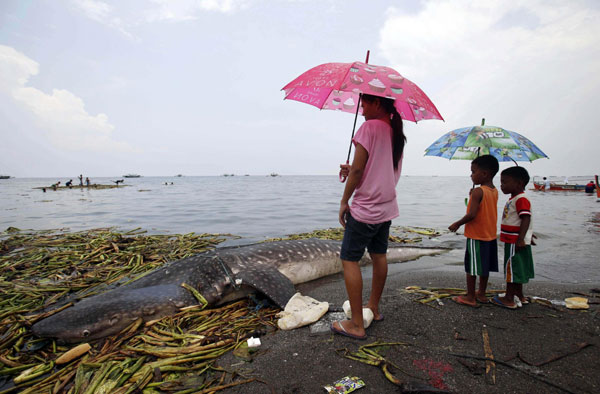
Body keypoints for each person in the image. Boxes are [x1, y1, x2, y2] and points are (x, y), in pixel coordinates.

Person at [330, 94, 406, 340]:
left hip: (366, 209)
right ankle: (373, 308)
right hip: (385, 209)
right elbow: (377, 169)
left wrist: (344, 201)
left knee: (349, 259)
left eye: (363, 104)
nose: (361, 110)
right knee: (379, 256)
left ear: (376, 103)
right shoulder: (395, 133)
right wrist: (351, 170)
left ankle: (355, 324)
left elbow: (361, 169)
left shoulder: (368, 127)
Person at [448, 155, 499, 307]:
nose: (471, 175)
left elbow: (472, 214)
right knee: (484, 267)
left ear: (484, 174)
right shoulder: (494, 190)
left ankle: (470, 296)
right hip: (490, 235)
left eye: (473, 171)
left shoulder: (478, 192)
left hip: (477, 236)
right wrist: (473, 196)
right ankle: (481, 294)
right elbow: (484, 208)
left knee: (471, 267)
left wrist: (457, 223)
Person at [492, 166, 535, 309]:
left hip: (514, 241)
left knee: (512, 269)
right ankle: (520, 296)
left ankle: (509, 298)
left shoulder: (521, 199)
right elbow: (522, 220)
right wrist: (527, 235)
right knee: (518, 267)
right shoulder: (516, 198)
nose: (502, 185)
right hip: (516, 240)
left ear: (519, 183)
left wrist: (521, 238)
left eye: (505, 182)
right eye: (501, 182)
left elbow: (526, 218)